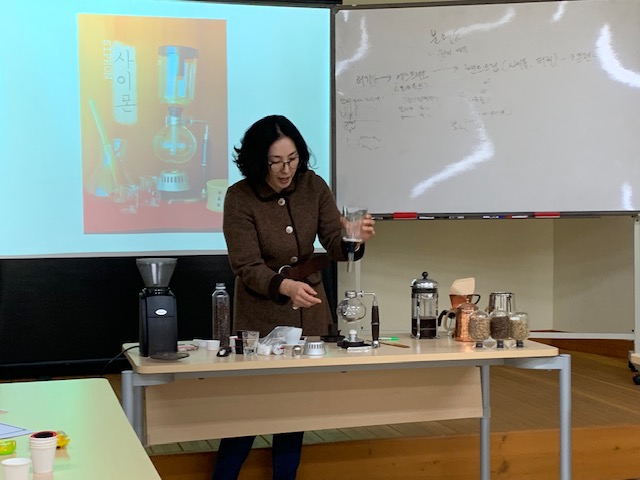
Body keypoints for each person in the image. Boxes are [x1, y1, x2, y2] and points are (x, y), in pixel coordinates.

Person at [216, 114, 375, 480]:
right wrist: (284, 287)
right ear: (258, 161)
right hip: (260, 318)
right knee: (246, 416)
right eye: (275, 162)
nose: (286, 170)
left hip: (309, 314)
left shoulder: (313, 185)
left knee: (294, 413)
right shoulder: (239, 197)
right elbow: (246, 265)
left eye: (292, 160)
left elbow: (334, 244)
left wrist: (353, 237)